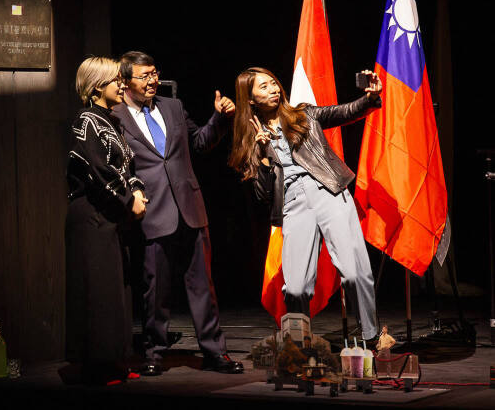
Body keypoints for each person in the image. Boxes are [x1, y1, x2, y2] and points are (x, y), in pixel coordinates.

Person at [112, 51, 243, 375]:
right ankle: (154, 353)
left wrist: (219, 118)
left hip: (190, 208)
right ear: (125, 81)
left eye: (154, 73)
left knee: (203, 287)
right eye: (144, 76)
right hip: (152, 212)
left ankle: (215, 353)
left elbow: (199, 143)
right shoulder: (115, 116)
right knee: (155, 289)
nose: (152, 81)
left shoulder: (172, 106)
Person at [229, 67, 382, 343]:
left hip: (328, 191)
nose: (273, 89)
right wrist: (262, 152)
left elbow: (344, 112)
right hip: (293, 203)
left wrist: (369, 99)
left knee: (354, 274)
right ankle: (299, 345)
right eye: (263, 87)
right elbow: (263, 194)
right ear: (250, 99)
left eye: (273, 83)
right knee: (296, 289)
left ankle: (371, 337)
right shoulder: (251, 139)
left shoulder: (303, 115)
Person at [65, 57, 147, 385]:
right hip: (91, 216)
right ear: (98, 86)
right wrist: (129, 200)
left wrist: (137, 192)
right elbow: (97, 170)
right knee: (97, 292)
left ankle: (115, 361)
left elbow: (127, 166)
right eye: (117, 80)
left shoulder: (111, 121)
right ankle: (96, 368)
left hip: (110, 215)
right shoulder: (87, 121)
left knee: (116, 290)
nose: (123, 85)